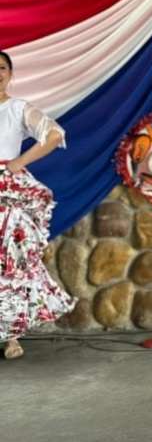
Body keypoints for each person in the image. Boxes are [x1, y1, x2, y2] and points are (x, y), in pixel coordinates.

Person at [0, 50, 74, 359]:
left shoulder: (17, 108)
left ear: (11, 73)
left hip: (6, 188)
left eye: (1, 67)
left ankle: (10, 336)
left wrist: (19, 162)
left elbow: (55, 134)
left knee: (10, 261)